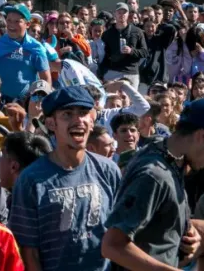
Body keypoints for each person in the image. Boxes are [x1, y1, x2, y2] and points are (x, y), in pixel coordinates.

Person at [102, 98, 204, 270]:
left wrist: (191, 227)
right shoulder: (154, 175)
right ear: (202, 136)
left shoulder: (170, 156)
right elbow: (113, 245)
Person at [10, 85, 122, 271]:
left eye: (84, 113)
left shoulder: (108, 170)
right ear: (51, 123)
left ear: (92, 121)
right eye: (67, 114)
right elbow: (29, 251)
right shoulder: (31, 179)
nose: (78, 120)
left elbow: (120, 232)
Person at [0, 4, 51, 102]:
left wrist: (40, 102)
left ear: (27, 24)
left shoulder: (36, 47)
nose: (11, 25)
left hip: (26, 103)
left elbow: (45, 79)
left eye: (17, 21)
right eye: (9, 20)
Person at [99, 2, 147, 89]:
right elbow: (103, 56)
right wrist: (101, 74)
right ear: (115, 14)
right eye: (119, 12)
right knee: (112, 99)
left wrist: (131, 51)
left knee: (130, 100)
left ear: (128, 14)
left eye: (124, 12)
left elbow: (144, 52)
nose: (122, 15)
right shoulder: (107, 34)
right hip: (112, 72)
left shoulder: (137, 31)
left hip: (131, 73)